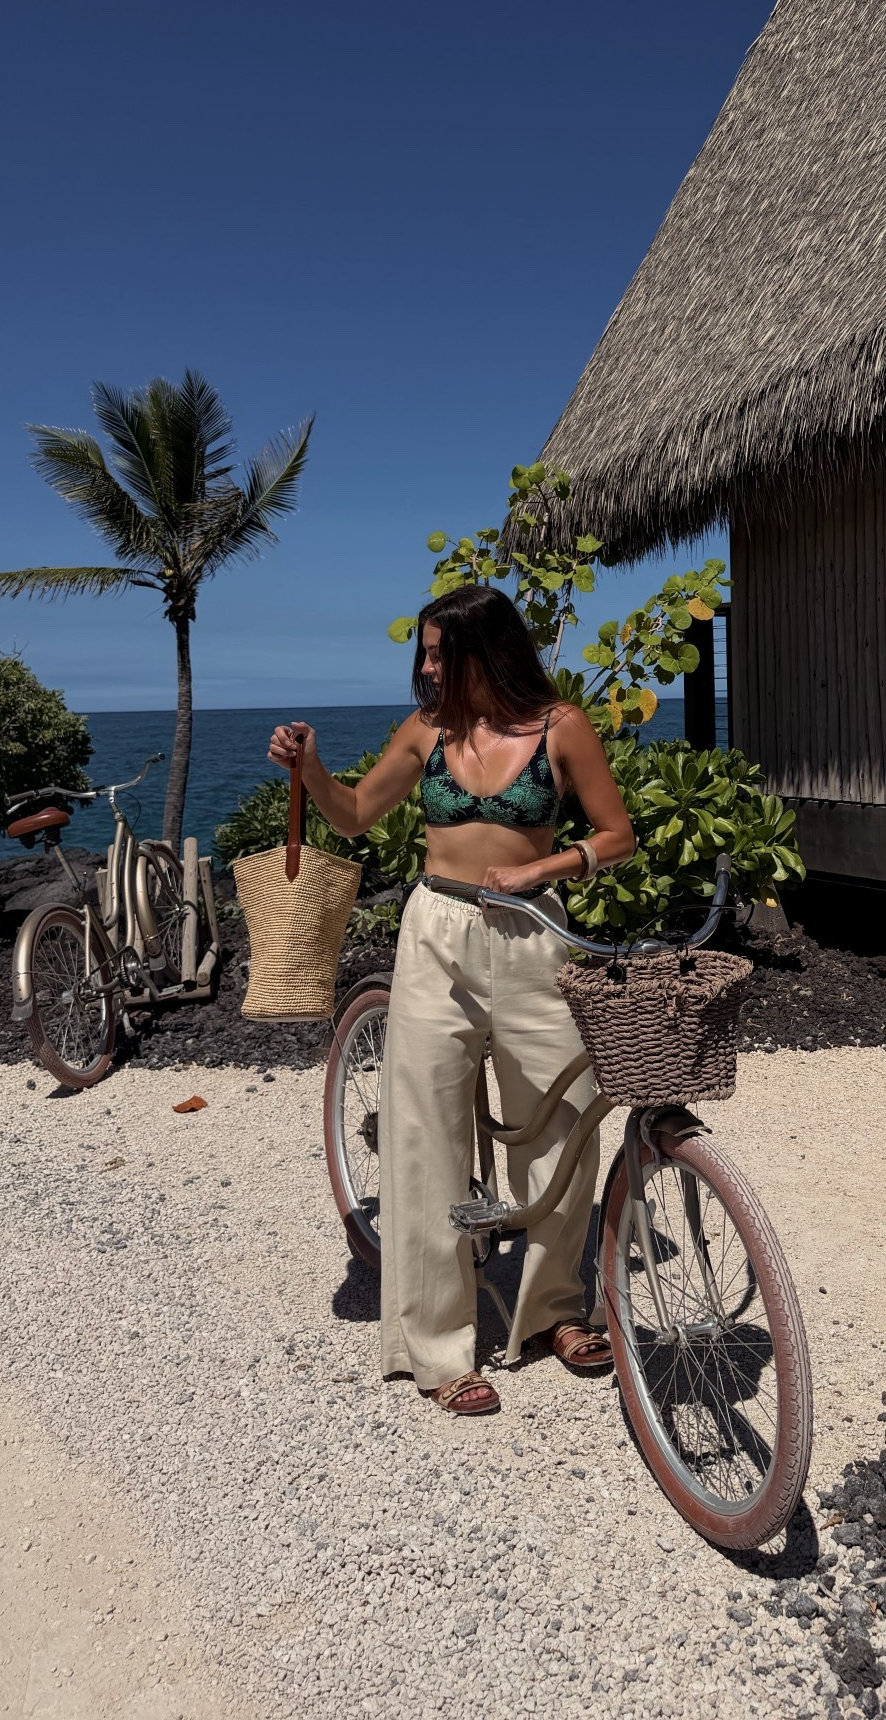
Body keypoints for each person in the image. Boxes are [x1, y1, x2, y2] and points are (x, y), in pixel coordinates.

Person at [267, 584, 636, 1416]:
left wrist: (544, 867)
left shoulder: (560, 727)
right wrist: (309, 769)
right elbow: (354, 816)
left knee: (562, 1122)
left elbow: (617, 836)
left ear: (487, 651)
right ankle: (437, 1349)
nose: (429, 668)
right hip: (436, 935)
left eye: (441, 653)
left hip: (534, 934)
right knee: (425, 1134)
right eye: (425, 655)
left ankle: (554, 1309)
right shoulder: (426, 731)